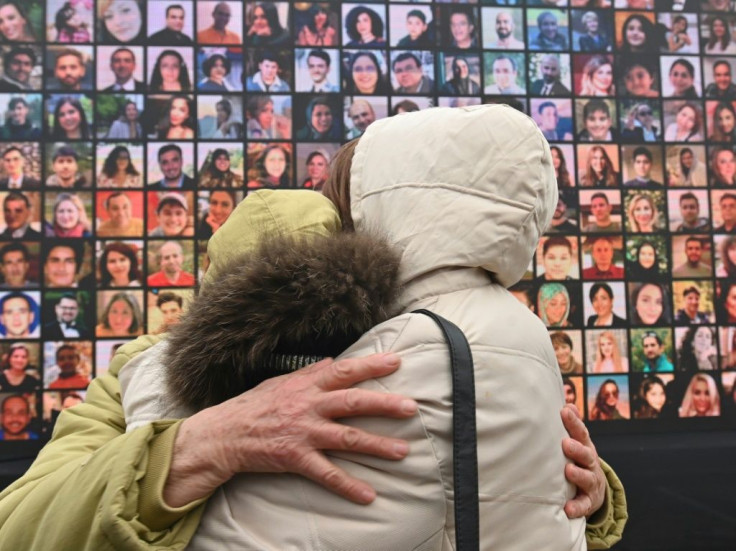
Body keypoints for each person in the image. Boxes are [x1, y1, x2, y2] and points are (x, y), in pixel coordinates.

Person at [119, 107, 620, 547]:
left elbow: (225, 537)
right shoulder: (512, 323)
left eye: (341, 206)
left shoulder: (408, 350)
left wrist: (153, 391)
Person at [0, 212, 623, 549]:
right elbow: (20, 528)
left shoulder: (411, 358)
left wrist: (569, 489)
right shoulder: (141, 369)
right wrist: (196, 445)